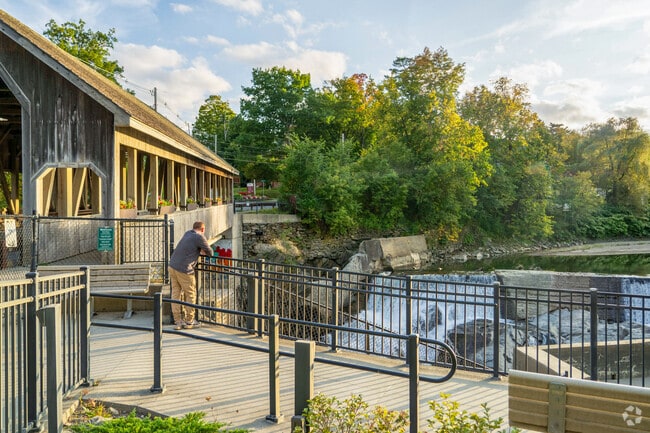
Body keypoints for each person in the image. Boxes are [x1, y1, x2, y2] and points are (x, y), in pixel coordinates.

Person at [168, 220, 213, 329]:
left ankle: (178, 321)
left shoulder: (187, 233)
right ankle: (189, 321)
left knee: (176, 295)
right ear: (202, 229)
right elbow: (210, 252)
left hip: (172, 266)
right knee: (191, 294)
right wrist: (202, 249)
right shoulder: (200, 237)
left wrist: (198, 249)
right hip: (184, 269)